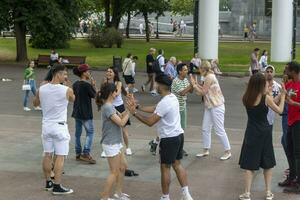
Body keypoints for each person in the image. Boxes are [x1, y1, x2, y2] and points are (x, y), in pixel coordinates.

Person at [126, 74, 194, 200]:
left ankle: (165, 197)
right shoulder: (171, 97)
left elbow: (150, 122)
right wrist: (138, 107)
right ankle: (186, 194)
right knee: (177, 164)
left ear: (161, 86)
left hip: (169, 139)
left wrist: (134, 113)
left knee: (165, 168)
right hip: (179, 136)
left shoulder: (165, 102)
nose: (155, 86)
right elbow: (155, 108)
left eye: (156, 84)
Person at [238, 73, 286, 200]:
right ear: (261, 84)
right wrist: (284, 95)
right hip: (264, 132)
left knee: (249, 164)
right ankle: (268, 192)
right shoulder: (265, 98)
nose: (267, 84)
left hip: (251, 132)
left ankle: (247, 193)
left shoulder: (246, 97)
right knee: (267, 162)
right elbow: (279, 110)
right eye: (265, 83)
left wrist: (272, 95)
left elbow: (267, 103)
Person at [33, 63, 75, 195]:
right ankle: (57, 185)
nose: (66, 76)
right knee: (60, 157)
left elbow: (35, 103)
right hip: (60, 126)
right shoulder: (66, 89)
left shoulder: (42, 89)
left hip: (46, 125)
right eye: (65, 74)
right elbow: (74, 99)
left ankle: (48, 182)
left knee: (47, 154)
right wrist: (69, 85)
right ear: (58, 74)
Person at [190, 61, 231, 160]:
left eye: (200, 69)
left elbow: (202, 92)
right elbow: (205, 89)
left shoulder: (209, 77)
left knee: (219, 129)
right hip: (210, 106)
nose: (199, 71)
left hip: (217, 106)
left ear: (204, 69)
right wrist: (195, 84)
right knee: (205, 128)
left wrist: (194, 85)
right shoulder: (208, 76)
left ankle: (228, 151)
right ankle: (206, 149)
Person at [96, 82, 130, 200]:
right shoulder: (107, 107)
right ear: (111, 93)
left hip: (116, 142)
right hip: (110, 143)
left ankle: (118, 193)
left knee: (123, 166)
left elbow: (121, 116)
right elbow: (121, 123)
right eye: (116, 91)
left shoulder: (111, 105)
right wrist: (129, 112)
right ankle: (104, 197)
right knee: (114, 171)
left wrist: (130, 108)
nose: (117, 93)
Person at [102, 67, 132, 156]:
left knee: (123, 129)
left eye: (110, 72)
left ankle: (127, 147)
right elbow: (102, 94)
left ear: (114, 74)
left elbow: (117, 93)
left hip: (119, 107)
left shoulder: (118, 83)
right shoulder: (104, 82)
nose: (108, 73)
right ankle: (106, 148)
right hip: (109, 106)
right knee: (108, 128)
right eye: (107, 71)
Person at [279, 61, 300, 194]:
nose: (285, 71)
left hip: (298, 122)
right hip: (290, 122)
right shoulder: (289, 84)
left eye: (287, 69)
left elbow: (291, 101)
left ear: (293, 71)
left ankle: (298, 183)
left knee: (298, 152)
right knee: (290, 149)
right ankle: (292, 176)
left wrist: (293, 102)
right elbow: (282, 96)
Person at [72, 64, 97, 164]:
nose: (89, 73)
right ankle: (86, 153)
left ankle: (78, 153)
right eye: (88, 71)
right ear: (84, 73)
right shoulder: (87, 85)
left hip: (77, 112)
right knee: (90, 133)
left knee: (77, 134)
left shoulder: (75, 84)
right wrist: (94, 85)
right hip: (86, 113)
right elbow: (96, 97)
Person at [171, 63, 193, 156]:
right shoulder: (176, 81)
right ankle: (178, 149)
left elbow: (190, 91)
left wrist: (192, 85)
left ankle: (180, 148)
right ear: (179, 71)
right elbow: (183, 93)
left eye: (186, 69)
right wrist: (191, 85)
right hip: (175, 109)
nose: (186, 71)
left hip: (183, 106)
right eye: (184, 70)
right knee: (174, 129)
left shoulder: (185, 80)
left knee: (181, 129)